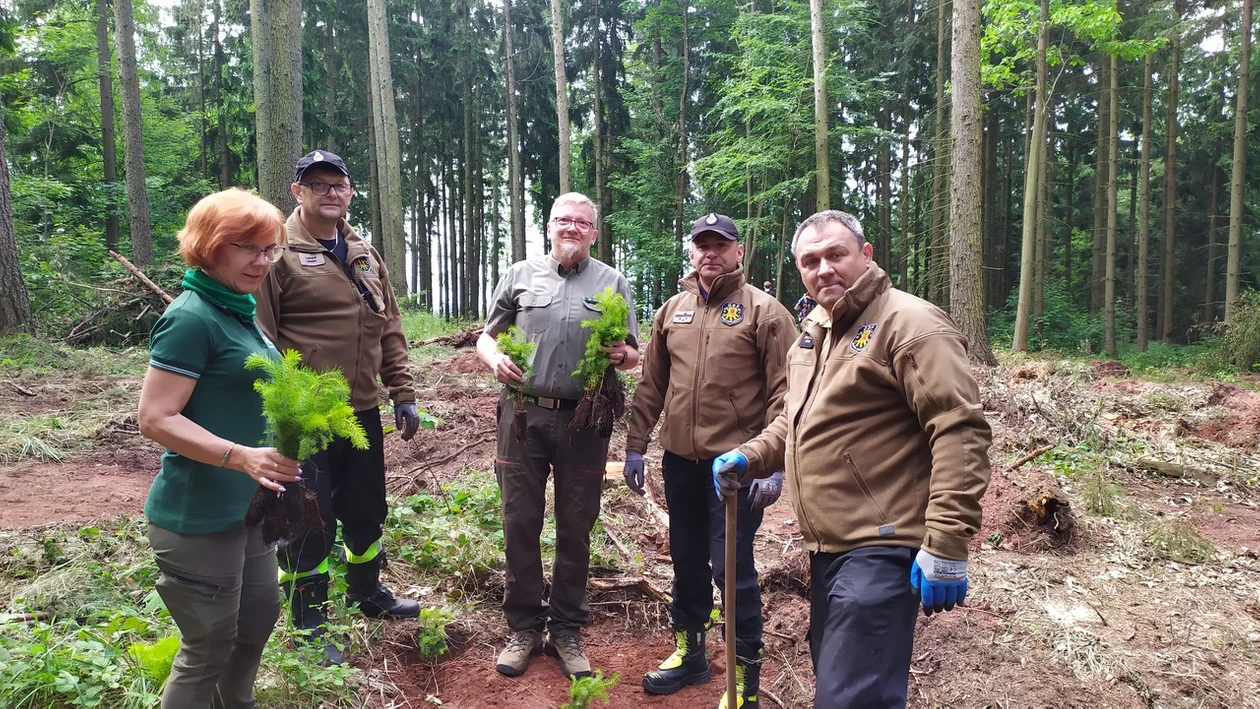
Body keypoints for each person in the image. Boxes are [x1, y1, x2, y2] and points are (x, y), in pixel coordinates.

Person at [711, 210, 992, 708]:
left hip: (882, 548)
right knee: (847, 689)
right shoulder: (816, 331)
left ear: (866, 255)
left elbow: (959, 428)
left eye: (836, 255)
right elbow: (796, 422)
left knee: (850, 699)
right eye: (810, 260)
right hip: (828, 549)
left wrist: (948, 541)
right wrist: (749, 455)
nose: (824, 269)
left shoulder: (911, 325)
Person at [255, 150, 421, 664]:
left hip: (363, 409)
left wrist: (404, 391)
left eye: (339, 185)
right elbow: (260, 335)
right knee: (310, 517)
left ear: (349, 192)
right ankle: (309, 622)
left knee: (366, 509)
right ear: (296, 191)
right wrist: (282, 407)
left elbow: (389, 326)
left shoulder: (364, 253)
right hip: (304, 416)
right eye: (318, 184)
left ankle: (366, 592)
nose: (331, 192)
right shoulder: (276, 254)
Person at [137, 189, 300, 708]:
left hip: (247, 508)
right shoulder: (192, 317)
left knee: (256, 622)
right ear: (209, 247)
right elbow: (155, 417)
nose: (263, 261)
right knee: (208, 645)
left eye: (271, 248)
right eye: (248, 248)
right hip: (198, 514)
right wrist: (241, 455)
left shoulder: (236, 307)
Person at [625, 213, 795, 709]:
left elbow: (787, 395)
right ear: (692, 252)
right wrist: (636, 445)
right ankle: (690, 653)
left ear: (739, 252)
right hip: (680, 462)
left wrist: (774, 464)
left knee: (732, 568)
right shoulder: (672, 310)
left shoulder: (766, 312)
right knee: (686, 561)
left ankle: (745, 680)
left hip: (737, 468)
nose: (710, 253)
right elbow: (652, 384)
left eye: (720, 245)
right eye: (702, 245)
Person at [477, 192, 640, 679]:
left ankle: (566, 627)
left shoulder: (612, 281)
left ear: (594, 231)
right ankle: (524, 626)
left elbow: (634, 352)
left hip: (585, 420)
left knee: (576, 523)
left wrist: (623, 358)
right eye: (563, 220)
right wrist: (493, 359)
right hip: (523, 415)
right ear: (549, 227)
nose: (572, 227)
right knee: (520, 520)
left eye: (582, 222)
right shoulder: (520, 275)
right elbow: (487, 334)